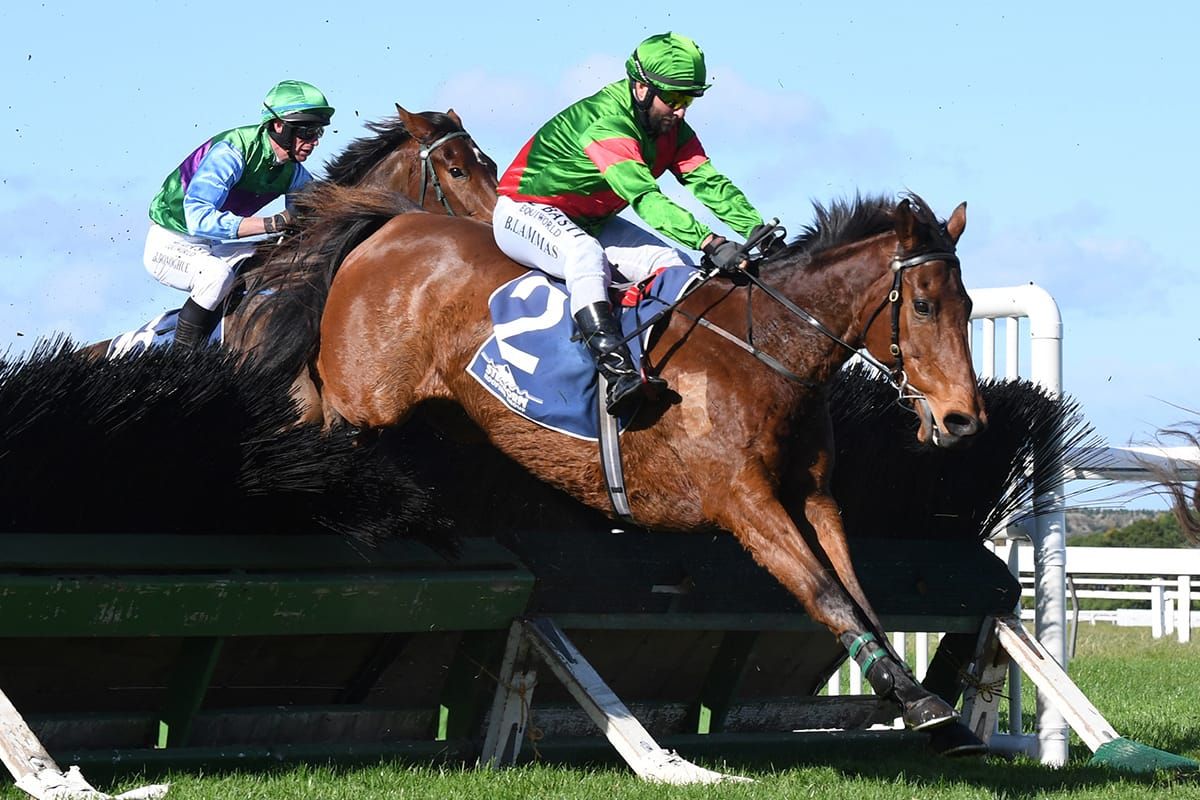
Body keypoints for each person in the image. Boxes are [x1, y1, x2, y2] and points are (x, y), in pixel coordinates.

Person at [492, 32, 778, 417]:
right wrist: (709, 241)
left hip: (592, 220)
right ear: (641, 88)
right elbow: (646, 200)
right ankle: (616, 370)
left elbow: (708, 182)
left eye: (688, 100)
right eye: (673, 99)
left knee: (675, 266)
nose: (680, 112)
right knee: (584, 255)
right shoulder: (607, 123)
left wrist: (759, 232)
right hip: (524, 210)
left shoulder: (672, 130)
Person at [143, 80, 335, 350]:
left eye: (318, 132)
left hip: (214, 246)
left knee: (279, 259)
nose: (313, 142)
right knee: (216, 277)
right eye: (307, 132)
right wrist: (273, 223)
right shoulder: (232, 152)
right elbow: (198, 219)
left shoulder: (293, 172)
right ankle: (181, 359)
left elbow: (311, 218)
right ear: (278, 126)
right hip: (170, 242)